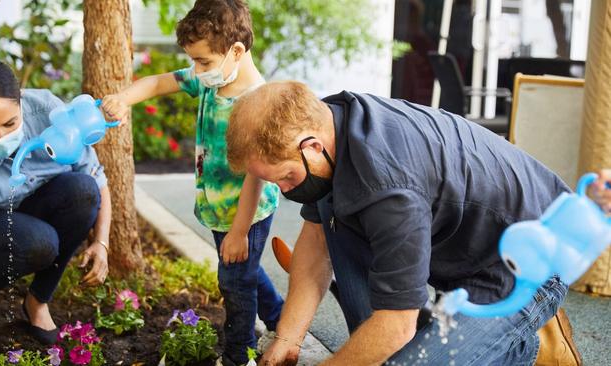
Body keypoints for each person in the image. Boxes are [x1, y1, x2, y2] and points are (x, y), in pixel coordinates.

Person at [225, 81, 574, 365]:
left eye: (286, 177)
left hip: (527, 262)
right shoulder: (330, 125)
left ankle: (520, 347)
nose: (285, 190)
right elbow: (316, 240)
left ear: (312, 146)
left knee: (404, 353)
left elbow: (397, 324)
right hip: (465, 249)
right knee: (335, 216)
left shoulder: (388, 183)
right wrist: (287, 337)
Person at [100, 1, 283, 364]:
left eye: (204, 62)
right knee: (244, 270)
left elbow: (256, 176)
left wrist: (239, 231)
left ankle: (239, 354)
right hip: (218, 209)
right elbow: (157, 82)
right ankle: (280, 316)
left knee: (235, 282)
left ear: (236, 51)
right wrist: (123, 99)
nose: (197, 70)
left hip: (248, 214)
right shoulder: (210, 81)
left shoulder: (258, 104)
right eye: (195, 61)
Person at [0, 59, 112, 365]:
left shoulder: (46, 111)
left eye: (9, 123)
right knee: (38, 241)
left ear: (21, 103)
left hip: (35, 205)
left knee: (82, 191)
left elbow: (97, 178)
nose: (0, 137)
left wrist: (102, 242)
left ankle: (38, 300)